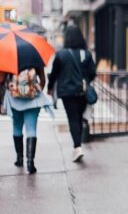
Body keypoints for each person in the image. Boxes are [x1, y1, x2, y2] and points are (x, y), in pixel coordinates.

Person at [47, 25, 96, 162]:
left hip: (67, 92)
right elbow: (93, 73)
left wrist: (50, 88)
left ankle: (77, 147)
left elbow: (54, 74)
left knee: (73, 118)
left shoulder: (61, 54)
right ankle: (78, 145)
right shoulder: (86, 53)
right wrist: (86, 80)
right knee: (79, 118)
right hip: (82, 91)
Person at [1, 66, 53, 174]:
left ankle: (19, 159)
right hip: (33, 100)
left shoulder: (10, 59)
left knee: (16, 127)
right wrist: (34, 90)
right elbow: (43, 79)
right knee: (31, 130)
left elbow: (1, 79)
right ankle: (30, 163)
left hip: (14, 100)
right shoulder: (34, 59)